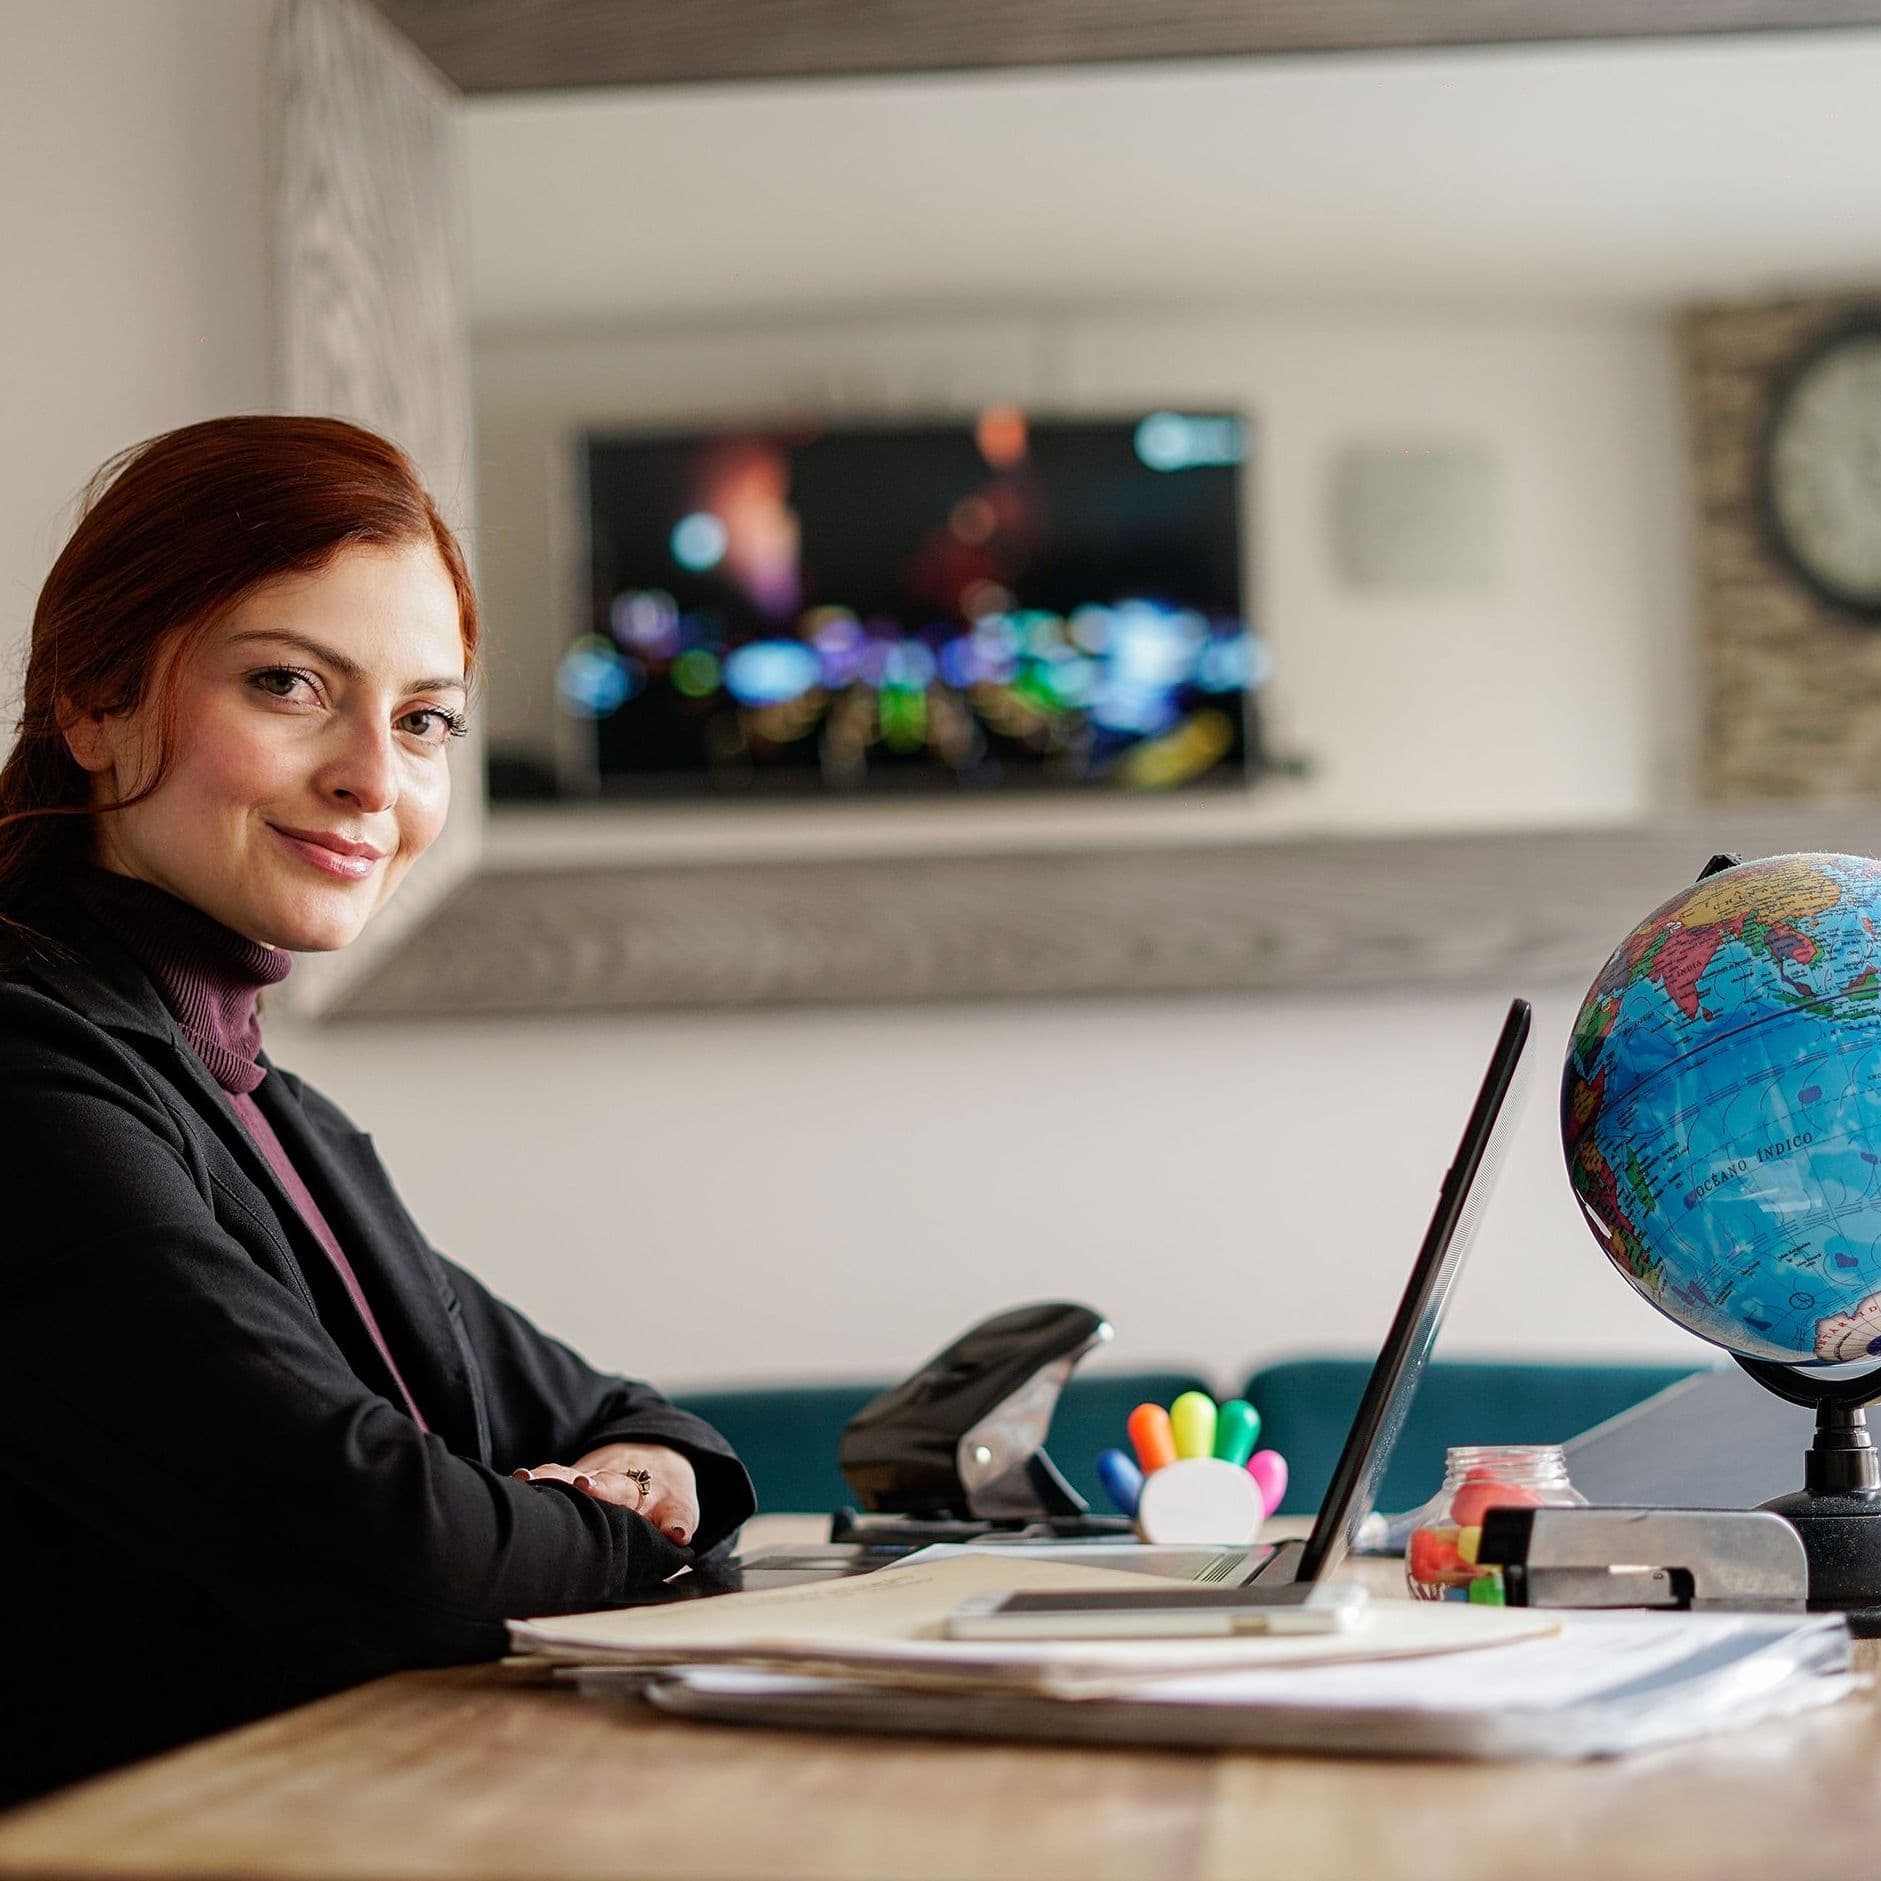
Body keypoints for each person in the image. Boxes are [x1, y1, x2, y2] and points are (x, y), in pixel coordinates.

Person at [0, 415, 755, 1805]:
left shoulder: (269, 1108)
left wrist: (627, 1481)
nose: (375, 776)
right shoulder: (30, 1078)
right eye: (290, 683)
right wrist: (626, 1529)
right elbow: (399, 1550)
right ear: (92, 699)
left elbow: (640, 1420)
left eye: (422, 720)